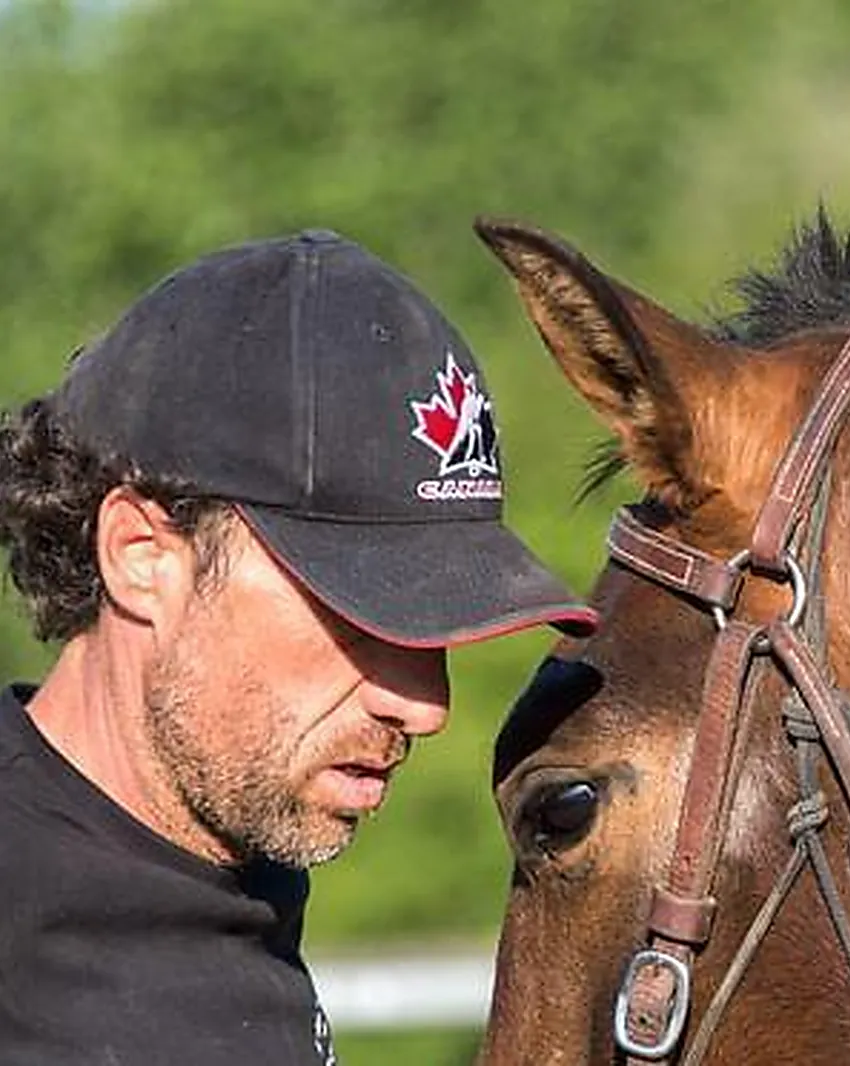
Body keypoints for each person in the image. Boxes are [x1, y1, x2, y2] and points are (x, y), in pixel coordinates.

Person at [0, 230, 599, 1065]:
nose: (426, 708)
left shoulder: (234, 882)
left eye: (436, 630)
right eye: (358, 615)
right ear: (142, 558)